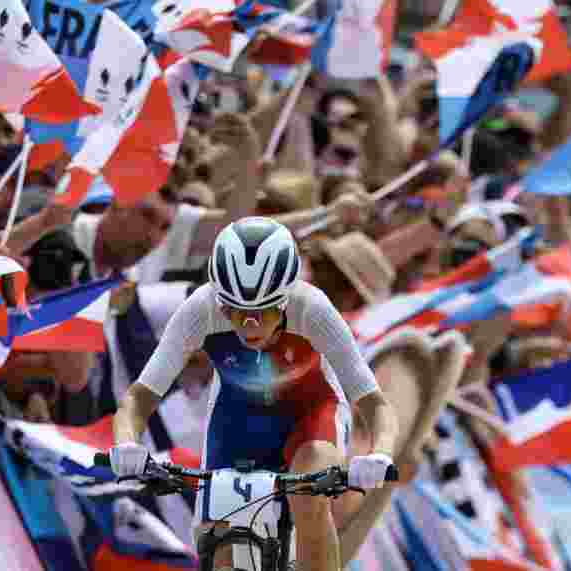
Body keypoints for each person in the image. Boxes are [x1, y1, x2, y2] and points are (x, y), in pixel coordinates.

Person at [109, 217, 398, 571]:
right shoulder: (201, 308)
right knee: (212, 535)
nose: (249, 324)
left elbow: (375, 405)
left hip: (310, 415)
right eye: (234, 309)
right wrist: (126, 443)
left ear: (287, 296)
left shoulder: (314, 310)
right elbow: (139, 397)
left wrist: (380, 453)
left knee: (307, 497)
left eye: (263, 310)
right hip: (238, 417)